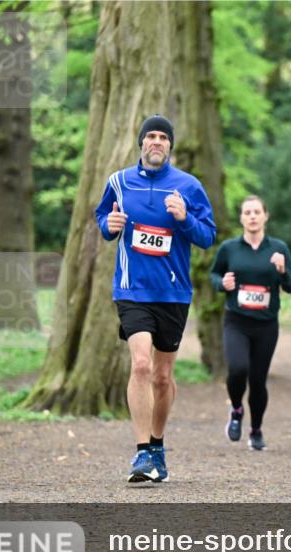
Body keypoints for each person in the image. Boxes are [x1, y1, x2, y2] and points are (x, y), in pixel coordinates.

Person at [96, 114, 216, 483]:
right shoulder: (118, 182)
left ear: (170, 146)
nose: (157, 142)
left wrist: (183, 219)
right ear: (141, 143)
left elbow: (207, 236)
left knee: (163, 376)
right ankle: (142, 453)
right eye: (151, 136)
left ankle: (158, 445)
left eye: (163, 137)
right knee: (142, 365)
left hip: (173, 292)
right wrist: (108, 227)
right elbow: (103, 218)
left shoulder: (188, 186)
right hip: (132, 290)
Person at [210, 195, 291, 450]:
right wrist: (221, 283)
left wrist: (282, 271)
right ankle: (236, 409)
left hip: (266, 324)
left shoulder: (278, 248)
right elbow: (215, 274)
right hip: (236, 320)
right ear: (241, 218)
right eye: (247, 212)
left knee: (258, 380)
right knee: (237, 369)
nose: (252, 216)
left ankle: (256, 429)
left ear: (265, 216)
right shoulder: (229, 248)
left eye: (256, 212)